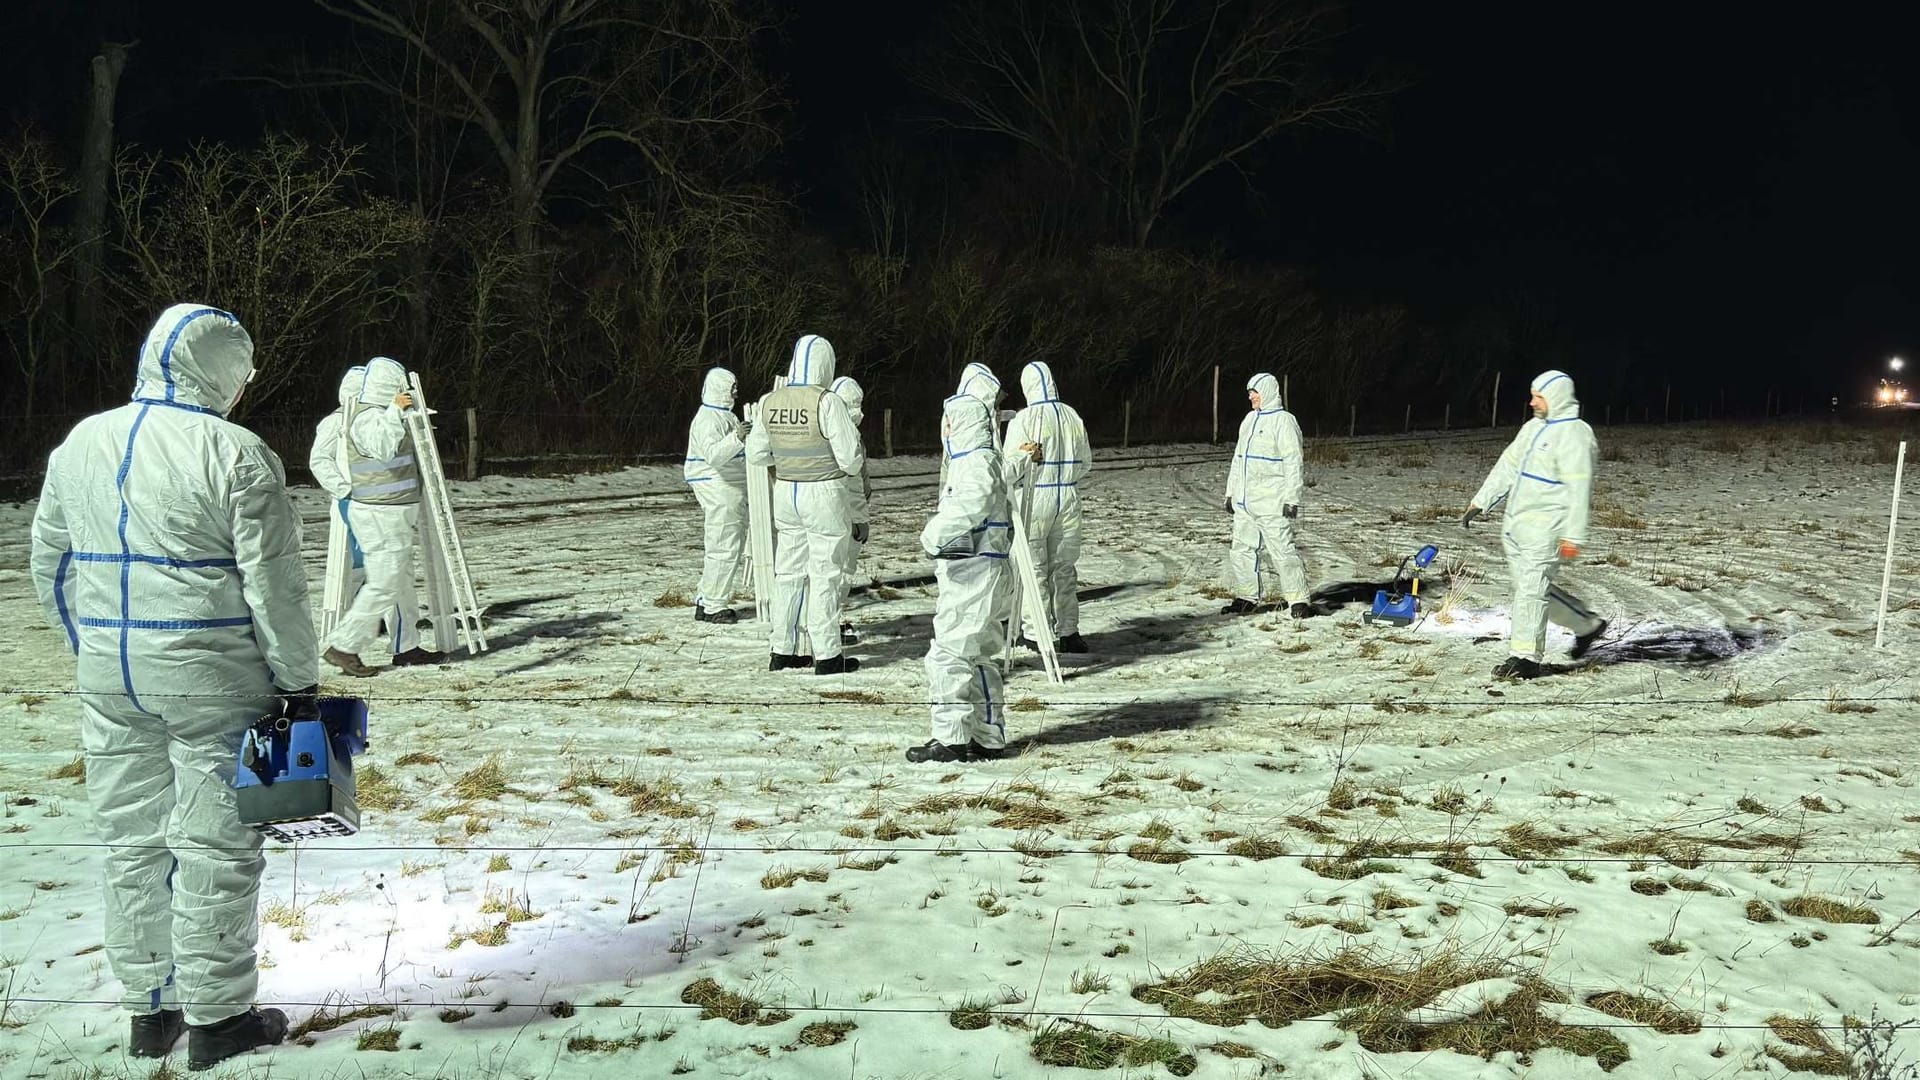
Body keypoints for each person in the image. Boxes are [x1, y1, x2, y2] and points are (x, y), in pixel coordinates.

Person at [30, 304, 309, 1069]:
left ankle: (148, 1009)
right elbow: (275, 589)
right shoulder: (237, 453)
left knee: (132, 840)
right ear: (223, 373)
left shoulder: (81, 442)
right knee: (218, 842)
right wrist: (298, 683)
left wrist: (95, 647)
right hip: (212, 676)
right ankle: (219, 1018)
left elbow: (48, 565)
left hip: (111, 681)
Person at [912, 380, 1039, 763]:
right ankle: (988, 735)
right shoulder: (984, 459)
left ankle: (949, 737)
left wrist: (932, 536)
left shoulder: (976, 462)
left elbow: (974, 501)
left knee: (948, 654)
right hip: (984, 568)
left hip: (973, 571)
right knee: (981, 655)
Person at [1466, 369, 1608, 679]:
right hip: (1518, 526)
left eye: (1538, 396)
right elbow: (1509, 464)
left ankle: (1525, 658)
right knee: (1529, 589)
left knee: (1530, 592)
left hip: (1548, 529)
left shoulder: (1575, 435)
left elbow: (1579, 488)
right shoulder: (1533, 428)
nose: (1531, 402)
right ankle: (1587, 625)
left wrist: (1573, 535)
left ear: (1555, 398)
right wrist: (1481, 500)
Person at [745, 334, 866, 674]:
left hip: (785, 491)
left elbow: (755, 453)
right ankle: (827, 655)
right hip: (824, 492)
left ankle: (782, 649)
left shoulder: (770, 400)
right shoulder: (826, 402)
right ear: (826, 365)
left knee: (789, 573)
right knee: (826, 573)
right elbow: (851, 461)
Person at [322, 357, 442, 675]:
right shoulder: (365, 417)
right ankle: (344, 646)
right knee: (384, 582)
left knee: (400, 582)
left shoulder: (383, 414)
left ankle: (406, 647)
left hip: (393, 511)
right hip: (377, 512)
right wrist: (395, 410)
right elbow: (383, 447)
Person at [1003, 360, 1091, 653]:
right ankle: (1069, 631)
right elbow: (1086, 462)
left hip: (1034, 497)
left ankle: (1037, 633)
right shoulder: (1072, 416)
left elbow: (1009, 468)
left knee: (1033, 568)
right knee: (1064, 568)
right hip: (1067, 498)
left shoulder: (1024, 419)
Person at [1223, 372, 1311, 618]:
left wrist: (1291, 498)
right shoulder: (1249, 420)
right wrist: (1231, 493)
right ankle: (1246, 596)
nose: (1250, 396)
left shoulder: (1284, 421)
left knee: (1282, 551)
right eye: (1249, 392)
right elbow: (1237, 459)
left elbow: (1293, 462)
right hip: (1245, 503)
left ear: (1268, 392)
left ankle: (1298, 599)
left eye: (1255, 392)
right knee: (1241, 549)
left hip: (1272, 503)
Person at [684, 367, 748, 624]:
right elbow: (715, 455)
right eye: (732, 387)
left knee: (724, 544)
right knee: (724, 545)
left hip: (729, 487)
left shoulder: (726, 416)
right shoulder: (708, 418)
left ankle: (706, 599)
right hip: (718, 486)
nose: (735, 392)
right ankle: (714, 606)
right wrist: (738, 438)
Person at [311, 366, 368, 619]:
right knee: (353, 566)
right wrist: (345, 490)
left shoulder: (366, 422)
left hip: (372, 503)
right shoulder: (335, 422)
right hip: (350, 504)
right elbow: (320, 460)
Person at [828, 375, 872, 644]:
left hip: (838, 511)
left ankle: (828, 619)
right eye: (853, 404)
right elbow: (852, 482)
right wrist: (860, 518)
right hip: (846, 515)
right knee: (841, 570)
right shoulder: (844, 435)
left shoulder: (840, 430)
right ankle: (829, 621)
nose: (859, 411)